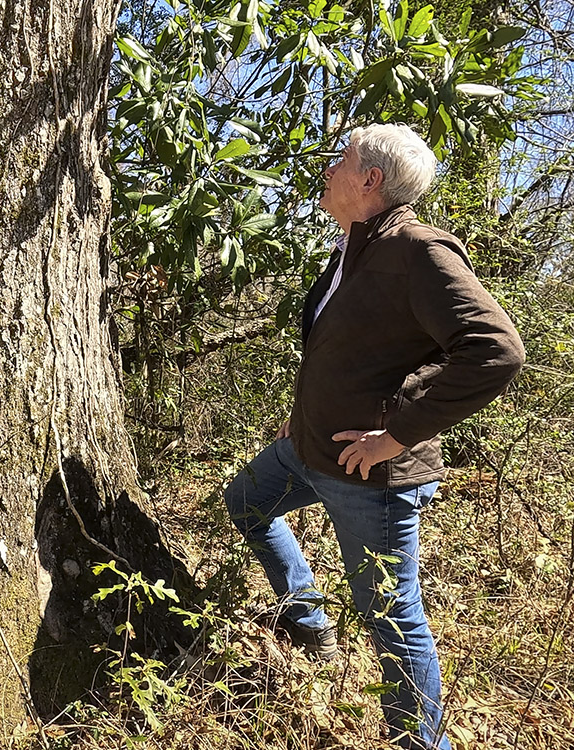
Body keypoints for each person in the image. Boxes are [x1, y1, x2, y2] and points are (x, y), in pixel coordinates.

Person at [223, 123, 524, 750]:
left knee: (391, 615)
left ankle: (420, 744)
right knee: (247, 501)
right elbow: (351, 352)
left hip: (370, 475)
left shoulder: (417, 250)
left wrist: (396, 435)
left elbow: (495, 351)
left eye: (341, 161)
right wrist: (302, 414)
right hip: (309, 449)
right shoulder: (355, 245)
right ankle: (307, 620)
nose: (328, 170)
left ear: (370, 180)